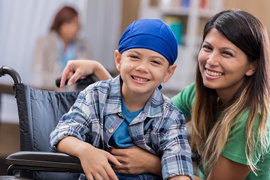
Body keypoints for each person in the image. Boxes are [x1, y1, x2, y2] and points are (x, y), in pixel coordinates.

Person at [58, 9, 270, 180]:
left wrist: (155, 165)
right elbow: (143, 107)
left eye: (227, 53)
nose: (211, 60)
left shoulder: (252, 118)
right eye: (207, 48)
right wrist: (97, 69)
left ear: (252, 66)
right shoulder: (198, 94)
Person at [50, 19, 194, 180]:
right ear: (118, 60)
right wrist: (85, 151)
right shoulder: (95, 95)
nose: (142, 67)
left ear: (168, 72)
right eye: (134, 57)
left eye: (155, 62)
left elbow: (179, 169)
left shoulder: (171, 116)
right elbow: (62, 134)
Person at [32, 6, 90, 88]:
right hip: (48, 91)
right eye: (70, 23)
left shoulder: (83, 45)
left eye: (77, 24)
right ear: (60, 23)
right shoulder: (44, 42)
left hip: (73, 94)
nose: (74, 28)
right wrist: (66, 79)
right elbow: (38, 73)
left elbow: (87, 73)